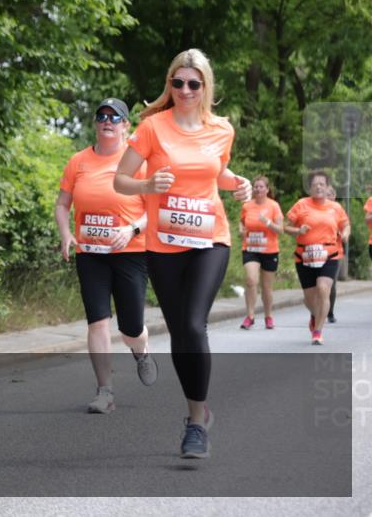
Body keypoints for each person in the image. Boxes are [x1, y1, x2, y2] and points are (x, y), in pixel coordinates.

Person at [114, 49, 252, 460]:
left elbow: (217, 171)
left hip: (210, 239)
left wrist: (239, 183)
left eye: (194, 83)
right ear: (169, 84)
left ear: (205, 86)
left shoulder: (221, 129)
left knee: (194, 325)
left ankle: (195, 421)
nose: (185, 89)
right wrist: (147, 186)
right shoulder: (152, 128)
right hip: (163, 244)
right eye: (178, 82)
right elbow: (121, 179)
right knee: (179, 332)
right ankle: (200, 411)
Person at [55, 98, 155, 415]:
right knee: (97, 322)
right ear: (95, 123)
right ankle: (104, 392)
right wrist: (66, 234)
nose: (107, 121)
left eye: (115, 117)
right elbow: (62, 204)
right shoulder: (78, 161)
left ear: (126, 125)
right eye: (102, 116)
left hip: (130, 253)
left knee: (130, 329)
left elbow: (155, 209)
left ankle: (141, 350)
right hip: (91, 253)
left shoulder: (138, 162)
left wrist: (132, 229)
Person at [284, 172, 350, 345]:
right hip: (304, 256)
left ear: (327, 187)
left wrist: (345, 234)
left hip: (330, 254)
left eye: (322, 184)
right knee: (309, 298)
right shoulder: (301, 204)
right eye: (315, 184)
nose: (318, 187)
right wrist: (298, 231)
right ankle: (315, 314)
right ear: (310, 188)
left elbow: (346, 224)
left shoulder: (335, 207)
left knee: (323, 289)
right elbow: (286, 227)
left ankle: (318, 331)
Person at [238, 176, 283, 330]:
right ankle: (250, 316)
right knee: (251, 280)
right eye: (255, 187)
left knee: (266, 287)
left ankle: (268, 316)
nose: (258, 189)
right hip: (250, 249)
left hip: (269, 250)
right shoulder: (247, 206)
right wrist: (241, 231)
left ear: (267, 189)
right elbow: (242, 222)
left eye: (261, 186)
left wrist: (268, 223)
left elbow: (280, 229)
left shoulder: (274, 206)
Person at [325, 185, 347, 323]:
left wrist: (343, 234)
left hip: (335, 253)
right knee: (318, 285)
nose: (326, 197)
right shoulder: (315, 209)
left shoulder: (337, 209)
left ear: (334, 196)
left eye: (329, 194)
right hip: (317, 253)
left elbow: (345, 226)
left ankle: (330, 312)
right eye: (324, 194)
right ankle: (317, 311)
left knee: (331, 285)